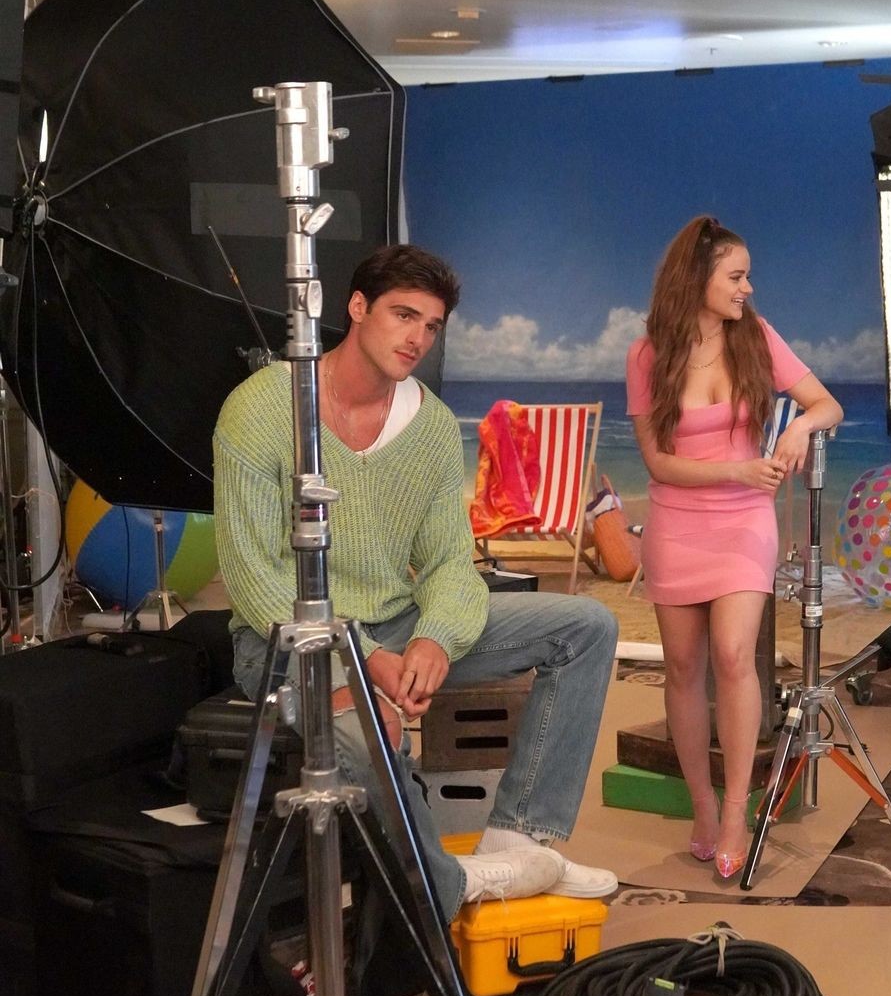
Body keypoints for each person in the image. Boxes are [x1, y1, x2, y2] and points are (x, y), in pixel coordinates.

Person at [213, 243, 619, 921]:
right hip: (286, 644)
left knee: (587, 627)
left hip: (396, 625)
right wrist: (367, 660)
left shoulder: (428, 424)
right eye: (403, 315)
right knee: (371, 736)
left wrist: (434, 638)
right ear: (357, 307)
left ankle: (521, 840)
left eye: (431, 326)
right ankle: (452, 883)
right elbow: (256, 579)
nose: (418, 339)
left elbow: (449, 563)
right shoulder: (261, 409)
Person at [626, 215, 842, 880]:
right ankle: (701, 804)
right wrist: (736, 469)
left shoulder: (757, 336)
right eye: (737, 276)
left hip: (745, 520)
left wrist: (799, 429)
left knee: (732, 655)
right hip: (678, 523)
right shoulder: (648, 355)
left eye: (747, 277)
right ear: (697, 278)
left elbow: (826, 404)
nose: (748, 288)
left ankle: (735, 813)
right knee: (683, 668)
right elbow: (658, 463)